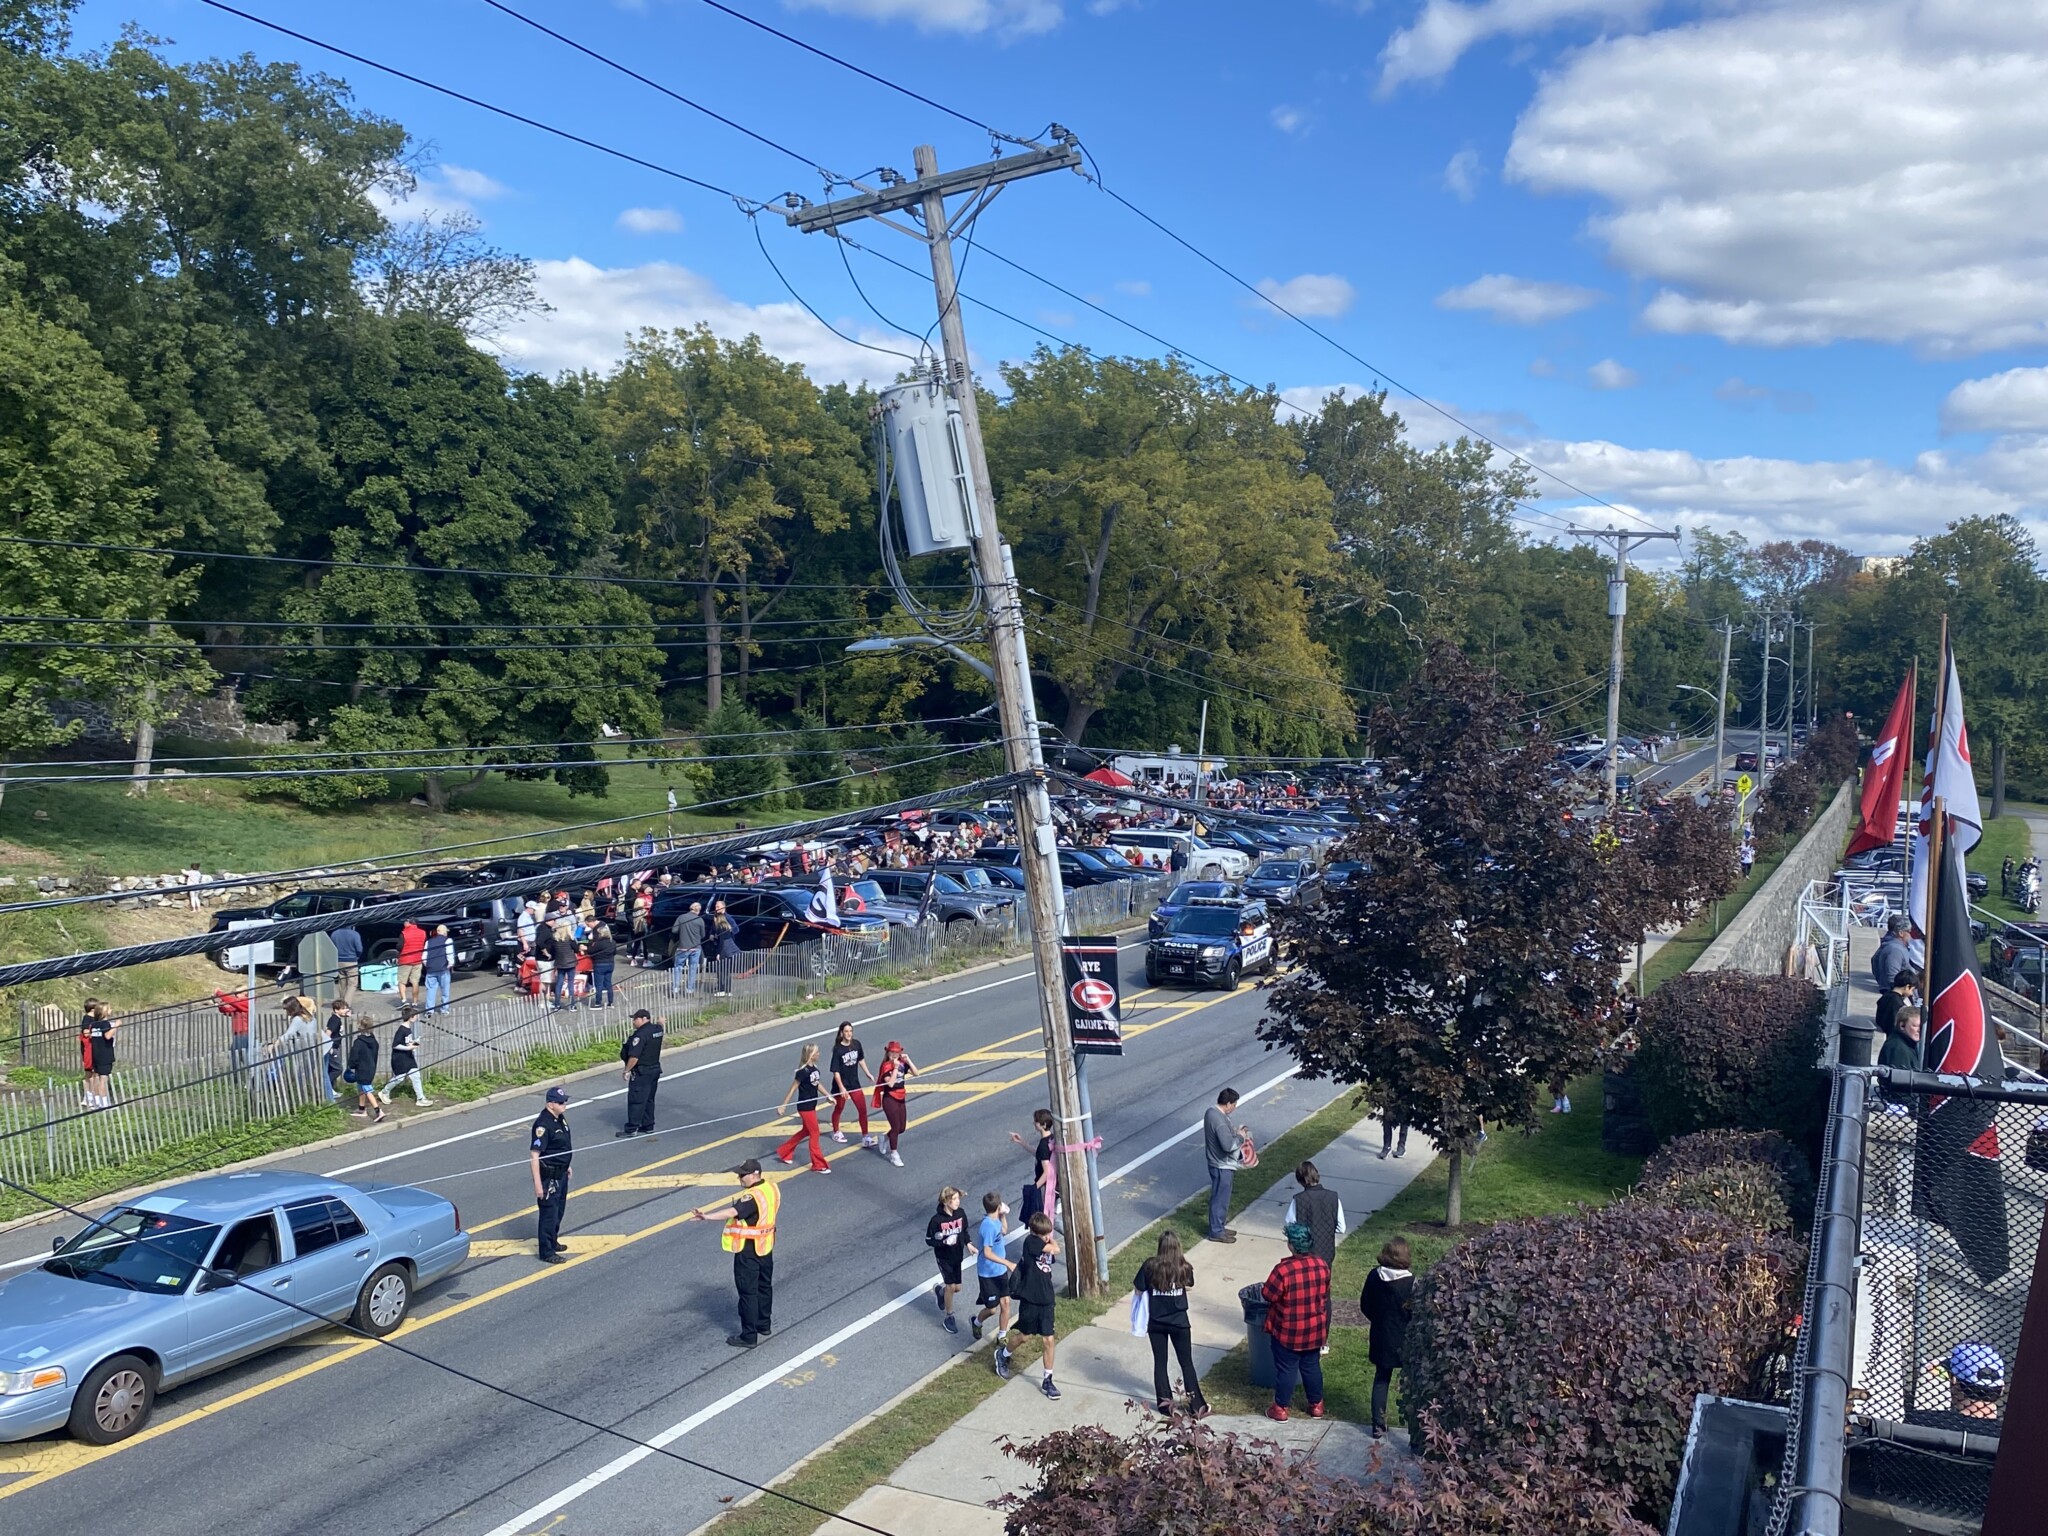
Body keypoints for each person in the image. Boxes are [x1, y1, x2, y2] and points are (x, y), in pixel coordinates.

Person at [690, 1158, 779, 1348]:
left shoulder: (751, 1196)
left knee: (748, 1293)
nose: (740, 1178)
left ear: (755, 1174)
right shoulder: (771, 1188)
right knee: (765, 1287)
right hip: (766, 1246)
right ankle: (764, 1325)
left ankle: (748, 1336)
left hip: (748, 1250)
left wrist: (706, 1216)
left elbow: (732, 1212)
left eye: (743, 1175)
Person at [1133, 1229, 1209, 1418]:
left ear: (1160, 1247)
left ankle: (1165, 1405)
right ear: (1178, 1248)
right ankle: (1196, 1406)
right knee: (1186, 1363)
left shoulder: (1150, 1266)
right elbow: (1190, 1284)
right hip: (1180, 1323)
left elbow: (1138, 1289)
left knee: (1160, 1362)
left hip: (1156, 1322)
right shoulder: (1185, 1267)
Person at [1261, 1222, 1330, 1422]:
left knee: (1287, 1368)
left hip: (1288, 1331)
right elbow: (1325, 1292)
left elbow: (1268, 1294)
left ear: (1291, 1245)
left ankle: (1281, 1408)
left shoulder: (1283, 1270)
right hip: (1315, 1329)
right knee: (1311, 1365)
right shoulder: (1322, 1265)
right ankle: (1316, 1405)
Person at [1284, 1160, 1346, 1348]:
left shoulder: (1299, 1200)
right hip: (1326, 1256)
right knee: (1324, 1297)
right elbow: (1341, 1227)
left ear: (1301, 1180)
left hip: (1305, 1255)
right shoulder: (1334, 1197)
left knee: (1305, 1296)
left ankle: (1304, 1336)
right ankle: (1323, 1341)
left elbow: (1289, 1225)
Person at [1361, 1237, 1414, 1439]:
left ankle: (1377, 1425)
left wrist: (1377, 1319)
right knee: (1409, 1383)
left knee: (1381, 1379)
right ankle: (1414, 1425)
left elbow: (1365, 1303)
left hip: (1381, 1336)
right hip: (1405, 1339)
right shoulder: (1411, 1282)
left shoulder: (1375, 1276)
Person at [1008, 1211, 1062, 1399]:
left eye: (1049, 1233)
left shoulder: (1043, 1243)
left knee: (1048, 1339)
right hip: (1030, 1298)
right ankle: (1004, 1353)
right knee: (1025, 1336)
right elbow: (1055, 1249)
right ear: (1035, 1232)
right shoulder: (1031, 1242)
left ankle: (1048, 1379)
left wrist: (1050, 1242)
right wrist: (1050, 1242)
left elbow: (1056, 1249)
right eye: (1045, 1233)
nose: (1048, 1236)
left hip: (1046, 1299)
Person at [530, 1086, 574, 1263]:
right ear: (550, 1104)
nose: (565, 1105)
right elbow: (534, 1156)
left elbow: (560, 1147)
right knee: (549, 1213)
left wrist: (567, 1165)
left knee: (559, 1210)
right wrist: (538, 1185)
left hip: (561, 1173)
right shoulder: (543, 1125)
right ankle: (547, 1251)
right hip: (549, 1177)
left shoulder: (559, 1118)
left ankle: (553, 1240)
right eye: (561, 1102)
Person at [925, 1186, 975, 1334]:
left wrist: (969, 1243)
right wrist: (943, 1242)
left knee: (957, 1288)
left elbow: (964, 1231)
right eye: (954, 1199)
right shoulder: (936, 1220)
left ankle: (941, 1294)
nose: (957, 1202)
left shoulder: (960, 1214)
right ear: (946, 1201)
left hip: (957, 1256)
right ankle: (949, 1317)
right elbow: (929, 1239)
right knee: (951, 1287)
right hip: (944, 1257)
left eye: (958, 1198)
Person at [774, 1043, 831, 1172]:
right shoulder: (802, 1072)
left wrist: (828, 1095)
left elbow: (816, 1084)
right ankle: (818, 1164)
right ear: (810, 1055)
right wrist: (783, 1105)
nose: (819, 1054)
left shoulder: (815, 1070)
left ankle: (784, 1152)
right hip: (805, 1107)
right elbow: (793, 1088)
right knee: (815, 1133)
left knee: (806, 1131)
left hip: (812, 1105)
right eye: (816, 1052)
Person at [1203, 1087, 1250, 1242]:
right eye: (1234, 1104)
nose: (1234, 1108)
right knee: (1220, 1198)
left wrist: (1234, 1133)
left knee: (1221, 1196)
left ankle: (1219, 1226)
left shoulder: (1211, 1113)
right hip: (1222, 1164)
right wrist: (1240, 1137)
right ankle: (1216, 1231)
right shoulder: (1219, 1120)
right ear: (1228, 1104)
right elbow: (1228, 1146)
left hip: (1217, 1162)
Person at [971, 1191, 1015, 1353]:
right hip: (988, 1273)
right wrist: (1007, 1262)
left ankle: (1002, 1335)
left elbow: (1004, 1230)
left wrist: (1003, 1215)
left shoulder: (995, 1220)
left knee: (1006, 1303)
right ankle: (977, 1322)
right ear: (997, 1206)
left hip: (1000, 1271)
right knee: (992, 1308)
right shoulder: (987, 1226)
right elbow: (987, 1253)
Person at [615, 1008, 664, 1138]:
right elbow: (660, 1026)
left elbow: (634, 1057)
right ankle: (648, 1125)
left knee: (636, 1100)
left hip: (642, 1072)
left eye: (635, 1019)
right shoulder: (657, 1030)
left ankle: (632, 1128)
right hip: (654, 1070)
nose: (633, 1022)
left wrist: (627, 1070)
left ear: (643, 1019)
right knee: (649, 1099)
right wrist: (661, 1022)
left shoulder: (640, 1035)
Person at [828, 1020, 876, 1147]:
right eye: (846, 1031)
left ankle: (865, 1136)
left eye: (850, 1031)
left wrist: (867, 1073)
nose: (849, 1034)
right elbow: (835, 1071)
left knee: (862, 1110)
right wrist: (842, 1088)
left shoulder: (856, 1044)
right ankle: (836, 1131)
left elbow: (860, 1059)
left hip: (854, 1083)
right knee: (839, 1108)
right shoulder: (838, 1050)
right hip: (841, 1084)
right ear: (841, 1033)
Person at [874, 1040, 916, 1167]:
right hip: (890, 1098)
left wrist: (908, 1060)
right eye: (891, 1052)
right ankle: (894, 1154)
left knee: (901, 1128)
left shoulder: (903, 1064)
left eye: (896, 1052)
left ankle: (885, 1137)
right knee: (896, 1127)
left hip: (901, 1097)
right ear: (887, 1053)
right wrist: (896, 1067)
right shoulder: (886, 1066)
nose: (894, 1055)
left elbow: (916, 1073)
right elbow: (890, 1083)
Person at [381, 1005, 432, 1107]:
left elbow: (406, 1042)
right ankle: (384, 1092)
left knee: (416, 1075)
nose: (417, 1017)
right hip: (400, 1058)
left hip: (408, 1057)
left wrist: (414, 1043)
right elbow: (395, 1045)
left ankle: (420, 1098)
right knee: (399, 1078)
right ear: (411, 1017)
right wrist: (408, 1048)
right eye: (415, 1016)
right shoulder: (402, 1030)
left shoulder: (408, 1029)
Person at [1011, 1108, 1055, 1222]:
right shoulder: (1051, 1139)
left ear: (1043, 1124)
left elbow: (1047, 1171)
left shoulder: (1043, 1145)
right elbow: (1039, 1155)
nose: (1034, 1123)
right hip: (1053, 1184)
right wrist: (1022, 1143)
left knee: (1046, 1215)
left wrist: (1035, 1187)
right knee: (1048, 1214)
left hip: (1046, 1186)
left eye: (1036, 1121)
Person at [341, 1014, 385, 1123]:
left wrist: (351, 1066)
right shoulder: (374, 1042)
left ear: (359, 1027)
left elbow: (354, 1057)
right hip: (371, 1068)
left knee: (367, 1090)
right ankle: (361, 1109)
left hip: (362, 1069)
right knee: (361, 1088)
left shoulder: (358, 1043)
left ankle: (378, 1111)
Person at [78, 999, 119, 1110]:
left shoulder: (95, 1024)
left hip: (95, 1054)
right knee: (102, 1079)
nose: (111, 1010)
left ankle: (96, 1101)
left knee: (96, 1077)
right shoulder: (103, 1023)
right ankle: (103, 1104)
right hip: (104, 1055)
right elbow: (107, 1036)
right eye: (109, 1009)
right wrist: (116, 1026)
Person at [670, 901, 706, 997]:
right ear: (698, 910)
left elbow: (674, 930)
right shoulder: (700, 920)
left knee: (678, 967)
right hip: (696, 948)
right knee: (693, 968)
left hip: (683, 947)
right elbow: (703, 935)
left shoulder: (681, 917)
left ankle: (675, 990)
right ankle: (690, 990)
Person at [212, 987, 251, 1074]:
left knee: (241, 1055)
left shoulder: (247, 1002)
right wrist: (219, 1005)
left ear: (246, 993)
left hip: (244, 1033)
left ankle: (248, 1074)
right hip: (238, 1034)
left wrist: (219, 993)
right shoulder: (240, 1004)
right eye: (235, 993)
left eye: (238, 993)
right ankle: (240, 1075)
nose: (236, 995)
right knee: (236, 1054)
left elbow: (233, 1002)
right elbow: (229, 1010)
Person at [1873, 914, 1915, 991]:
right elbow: (1892, 977)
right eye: (1910, 932)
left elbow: (1874, 960)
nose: (1912, 935)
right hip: (1895, 994)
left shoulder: (1894, 946)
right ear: (1901, 933)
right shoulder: (1895, 950)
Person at [1876, 966, 1920, 1040]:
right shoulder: (1897, 1003)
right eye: (1912, 990)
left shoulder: (1886, 996)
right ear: (1907, 987)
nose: (1912, 994)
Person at [421, 923, 455, 1016]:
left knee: (431, 990)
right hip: (443, 968)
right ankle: (444, 1009)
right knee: (445, 990)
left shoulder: (429, 941)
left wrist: (427, 965)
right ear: (444, 932)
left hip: (431, 969)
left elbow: (424, 957)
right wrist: (450, 964)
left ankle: (429, 1010)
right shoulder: (448, 940)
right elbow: (449, 953)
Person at [709, 899, 740, 995]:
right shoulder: (716, 917)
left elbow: (736, 930)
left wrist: (728, 933)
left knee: (723, 969)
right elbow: (714, 930)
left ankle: (723, 989)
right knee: (724, 969)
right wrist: (712, 934)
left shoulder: (728, 918)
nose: (716, 908)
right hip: (720, 945)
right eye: (715, 907)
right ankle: (725, 989)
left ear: (723, 907)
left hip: (724, 947)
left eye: (718, 907)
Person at [321, 1000, 349, 1103]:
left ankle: (330, 1089)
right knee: (338, 1069)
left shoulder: (337, 1018)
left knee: (331, 1068)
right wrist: (329, 1046)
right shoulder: (334, 1020)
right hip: (332, 1048)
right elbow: (328, 1033)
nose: (346, 1010)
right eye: (343, 1008)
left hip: (334, 1046)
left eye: (346, 1008)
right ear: (336, 1010)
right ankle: (325, 1086)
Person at [396, 918, 428, 1008]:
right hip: (418, 960)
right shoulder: (423, 932)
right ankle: (414, 1002)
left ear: (408, 923)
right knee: (415, 982)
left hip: (405, 960)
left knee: (402, 981)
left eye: (405, 922)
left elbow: (399, 946)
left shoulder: (404, 933)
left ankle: (404, 1001)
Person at [548, 922, 579, 1011]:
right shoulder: (569, 938)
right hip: (571, 963)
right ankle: (572, 1005)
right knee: (570, 983)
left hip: (560, 963)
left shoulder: (555, 940)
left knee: (559, 983)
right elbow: (576, 949)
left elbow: (552, 952)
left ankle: (557, 1004)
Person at [586, 922, 617, 1008]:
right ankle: (610, 1002)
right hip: (610, 963)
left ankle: (598, 1003)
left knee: (598, 985)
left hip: (599, 964)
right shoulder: (613, 942)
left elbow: (590, 951)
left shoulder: (598, 943)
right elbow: (614, 952)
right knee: (608, 983)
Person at [331, 921, 363, 1005]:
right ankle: (346, 1004)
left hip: (338, 961)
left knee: (342, 983)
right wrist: (357, 956)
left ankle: (341, 1003)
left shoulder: (334, 934)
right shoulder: (355, 934)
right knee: (352, 984)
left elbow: (331, 947)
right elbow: (359, 949)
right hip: (351, 961)